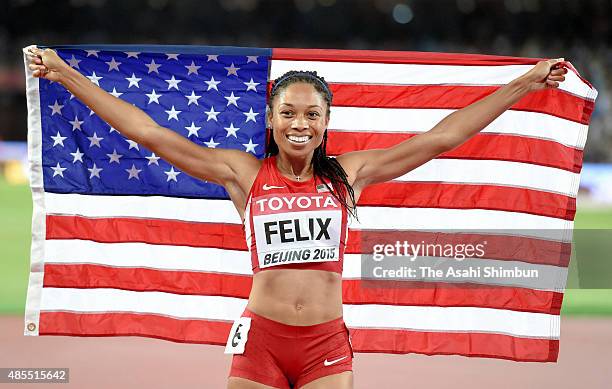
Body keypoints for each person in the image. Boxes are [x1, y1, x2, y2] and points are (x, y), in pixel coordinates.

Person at [27, 46, 567, 389]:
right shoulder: (242, 173)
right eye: (288, 113)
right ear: (271, 118)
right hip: (261, 341)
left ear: (327, 121)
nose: (300, 124)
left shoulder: (348, 174)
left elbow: (441, 137)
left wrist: (527, 82)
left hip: (325, 345)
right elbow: (150, 133)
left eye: (312, 114)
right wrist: (66, 74)